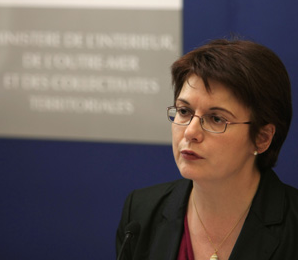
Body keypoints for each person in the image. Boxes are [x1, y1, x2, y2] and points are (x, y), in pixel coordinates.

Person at [116, 38, 298, 260]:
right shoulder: (141, 213)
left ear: (262, 138)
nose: (191, 132)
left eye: (216, 118)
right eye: (184, 111)